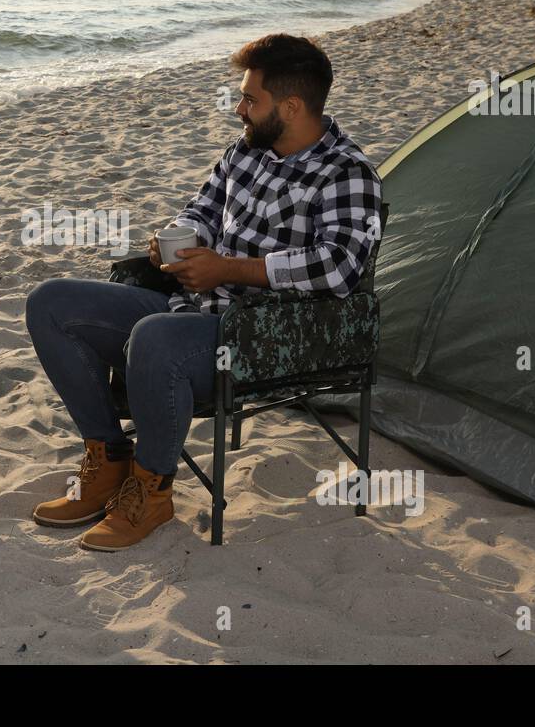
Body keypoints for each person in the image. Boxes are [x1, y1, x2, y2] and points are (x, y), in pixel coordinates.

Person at [25, 33, 382, 551]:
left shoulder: (346, 173)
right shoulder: (248, 150)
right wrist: (178, 243)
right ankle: (108, 458)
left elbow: (341, 267)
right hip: (196, 307)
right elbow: (203, 209)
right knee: (51, 302)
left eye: (249, 99)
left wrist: (229, 270)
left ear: (292, 105)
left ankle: (151, 492)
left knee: (154, 337)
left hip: (270, 335)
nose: (239, 109)